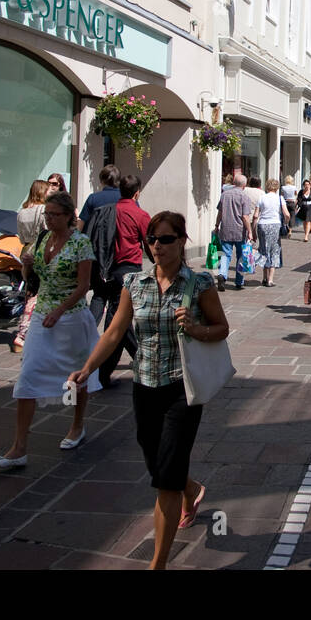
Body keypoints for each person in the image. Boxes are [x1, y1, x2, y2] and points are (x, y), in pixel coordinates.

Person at [69, 212, 229, 569]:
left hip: (181, 389)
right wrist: (87, 368)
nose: (157, 246)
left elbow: (221, 328)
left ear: (182, 241)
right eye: (152, 240)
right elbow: (113, 332)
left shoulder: (199, 284)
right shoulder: (134, 284)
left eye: (166, 239)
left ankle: (157, 563)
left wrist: (195, 328)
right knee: (158, 463)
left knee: (165, 481)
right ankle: (191, 489)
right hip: (144, 385)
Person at [0, 192, 100, 469]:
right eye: (47, 214)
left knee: (77, 376)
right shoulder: (41, 239)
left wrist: (60, 310)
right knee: (27, 375)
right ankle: (19, 447)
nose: (49, 219)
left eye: (54, 215)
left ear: (68, 216)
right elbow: (34, 280)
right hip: (42, 315)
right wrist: (27, 268)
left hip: (72, 319)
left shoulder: (80, 243)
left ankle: (77, 425)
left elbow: (83, 286)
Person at [90, 174, 150, 387]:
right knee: (119, 323)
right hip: (129, 271)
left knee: (119, 321)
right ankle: (136, 363)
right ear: (137, 193)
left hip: (107, 269)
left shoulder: (108, 211)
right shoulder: (139, 214)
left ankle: (107, 372)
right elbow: (150, 243)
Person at [12, 179, 51, 352]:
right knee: (38, 292)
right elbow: (46, 231)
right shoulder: (42, 210)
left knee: (30, 289)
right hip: (39, 250)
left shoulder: (22, 212)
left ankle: (30, 330)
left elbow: (20, 237)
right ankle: (24, 332)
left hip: (25, 249)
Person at [214, 173, 254, 291]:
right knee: (241, 256)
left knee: (226, 255)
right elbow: (245, 217)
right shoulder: (244, 197)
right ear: (244, 185)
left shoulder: (224, 195)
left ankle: (222, 274)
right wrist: (250, 231)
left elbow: (220, 213)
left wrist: (217, 225)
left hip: (226, 229)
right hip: (240, 231)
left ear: (234, 183)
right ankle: (239, 281)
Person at [254, 179, 288, 287]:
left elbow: (255, 215)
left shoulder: (262, 197)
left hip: (262, 224)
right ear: (277, 187)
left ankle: (264, 277)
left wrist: (253, 229)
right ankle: (270, 279)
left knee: (264, 249)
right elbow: (286, 214)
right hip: (275, 225)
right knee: (274, 250)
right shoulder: (280, 198)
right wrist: (286, 223)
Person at [78, 165, 121, 230]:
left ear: (102, 181)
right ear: (118, 181)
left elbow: (81, 224)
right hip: (120, 239)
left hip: (97, 239)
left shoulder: (93, 198)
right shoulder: (128, 199)